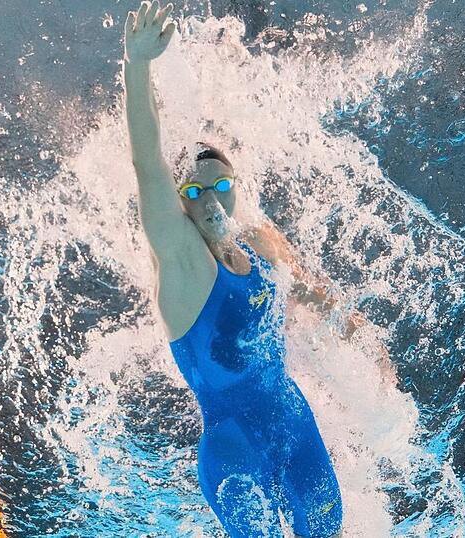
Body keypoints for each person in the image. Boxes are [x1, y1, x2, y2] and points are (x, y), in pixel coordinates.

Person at [122, 2, 366, 536]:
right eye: (194, 191)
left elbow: (310, 291)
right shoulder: (183, 264)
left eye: (222, 186)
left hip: (296, 427)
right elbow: (147, 165)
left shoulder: (258, 242)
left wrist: (357, 336)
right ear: (179, 202)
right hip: (234, 454)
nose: (211, 199)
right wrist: (136, 65)